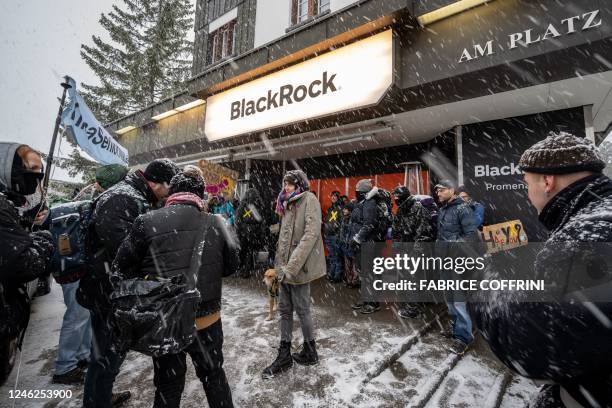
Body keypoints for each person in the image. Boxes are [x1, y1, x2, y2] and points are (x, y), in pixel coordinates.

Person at [470, 132, 612, 407]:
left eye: (526, 184)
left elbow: (535, 340)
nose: (527, 194)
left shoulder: (589, 234)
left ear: (547, 181)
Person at [113, 166, 237, 408]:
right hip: (208, 319)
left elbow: (121, 269)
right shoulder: (218, 223)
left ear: (172, 193)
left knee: (168, 386)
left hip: (165, 319)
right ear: (200, 195)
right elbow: (231, 267)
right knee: (214, 377)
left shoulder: (146, 221)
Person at [79, 158, 179, 408]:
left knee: (110, 354)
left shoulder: (134, 196)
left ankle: (101, 395)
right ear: (156, 184)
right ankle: (95, 402)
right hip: (106, 292)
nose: (169, 195)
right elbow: (125, 251)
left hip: (113, 290)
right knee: (105, 355)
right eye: (169, 188)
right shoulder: (121, 199)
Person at [51, 163, 128, 385]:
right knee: (76, 318)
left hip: (73, 268)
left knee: (83, 316)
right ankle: (65, 367)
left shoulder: (89, 202)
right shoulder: (101, 204)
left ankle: (82, 356)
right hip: (77, 270)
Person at [262, 170, 325, 379]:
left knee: (303, 310)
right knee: (285, 310)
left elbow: (311, 234)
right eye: (284, 184)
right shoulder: (287, 203)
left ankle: (310, 350)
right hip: (284, 269)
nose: (285, 187)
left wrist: (292, 266)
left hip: (298, 268)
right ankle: (284, 353)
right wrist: (280, 266)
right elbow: (285, 237)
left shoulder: (309, 200)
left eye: (289, 184)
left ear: (299, 184)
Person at [0, 143, 54, 386]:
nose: (37, 176)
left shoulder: (10, 206)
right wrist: (42, 240)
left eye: (40, 170)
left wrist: (28, 221)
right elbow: (23, 263)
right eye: (31, 168)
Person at [435, 179, 478, 355]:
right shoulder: (443, 209)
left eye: (441, 190)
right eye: (436, 191)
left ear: (451, 190)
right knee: (450, 299)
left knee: (459, 301)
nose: (438, 193)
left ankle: (463, 338)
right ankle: (456, 329)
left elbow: (471, 236)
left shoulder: (463, 209)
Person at [392, 186, 434, 319]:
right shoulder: (401, 210)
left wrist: (415, 253)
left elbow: (424, 234)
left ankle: (413, 309)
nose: (395, 200)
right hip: (405, 250)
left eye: (398, 198)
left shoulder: (418, 209)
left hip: (416, 251)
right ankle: (417, 304)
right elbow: (396, 229)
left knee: (413, 280)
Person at [349, 179, 386, 314]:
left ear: (363, 192)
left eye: (358, 191)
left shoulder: (369, 203)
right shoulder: (363, 202)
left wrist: (357, 238)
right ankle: (366, 298)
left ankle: (373, 302)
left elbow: (369, 225)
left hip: (368, 244)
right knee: (364, 273)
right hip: (362, 244)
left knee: (369, 273)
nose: (356, 193)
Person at [235, 188, 267, 278]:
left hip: (245, 232)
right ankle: (248, 268)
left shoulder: (243, 204)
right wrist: (261, 233)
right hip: (254, 232)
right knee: (250, 251)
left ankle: (243, 268)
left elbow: (237, 219)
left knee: (244, 250)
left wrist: (239, 230)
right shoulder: (259, 204)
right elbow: (262, 220)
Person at [324, 191, 344, 283]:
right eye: (332, 196)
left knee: (337, 257)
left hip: (335, 236)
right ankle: (331, 274)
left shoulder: (340, 208)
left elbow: (341, 224)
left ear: (338, 197)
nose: (333, 197)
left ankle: (337, 276)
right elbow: (328, 221)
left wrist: (338, 235)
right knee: (332, 257)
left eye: (335, 196)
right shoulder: (330, 208)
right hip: (328, 236)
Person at [338, 203, 359, 288]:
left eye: (346, 209)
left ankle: (354, 281)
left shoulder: (352, 219)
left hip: (351, 244)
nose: (344, 210)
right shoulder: (344, 218)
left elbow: (352, 232)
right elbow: (342, 232)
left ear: (350, 210)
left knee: (354, 264)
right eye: (344, 209)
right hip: (345, 244)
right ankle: (349, 280)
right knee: (347, 264)